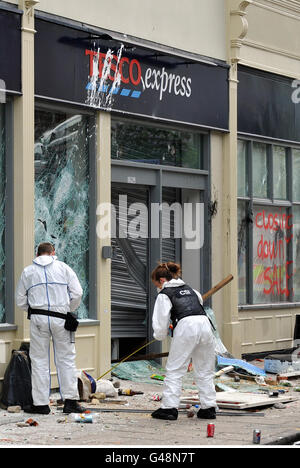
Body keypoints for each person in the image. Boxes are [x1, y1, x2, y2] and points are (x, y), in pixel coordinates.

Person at [16, 242, 84, 415]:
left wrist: (33, 310)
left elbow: (20, 300)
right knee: (66, 359)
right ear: (53, 252)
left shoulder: (28, 271)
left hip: (38, 318)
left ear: (37, 254)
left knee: (39, 360)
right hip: (61, 318)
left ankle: (40, 404)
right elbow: (78, 293)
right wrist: (68, 309)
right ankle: (70, 401)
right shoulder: (63, 268)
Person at [151, 262, 217, 421]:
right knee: (204, 369)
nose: (157, 288)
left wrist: (160, 334)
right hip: (206, 327)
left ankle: (169, 408)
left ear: (161, 280)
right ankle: (208, 408)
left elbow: (160, 327)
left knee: (175, 369)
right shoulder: (193, 291)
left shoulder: (164, 294)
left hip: (186, 328)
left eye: (156, 284)